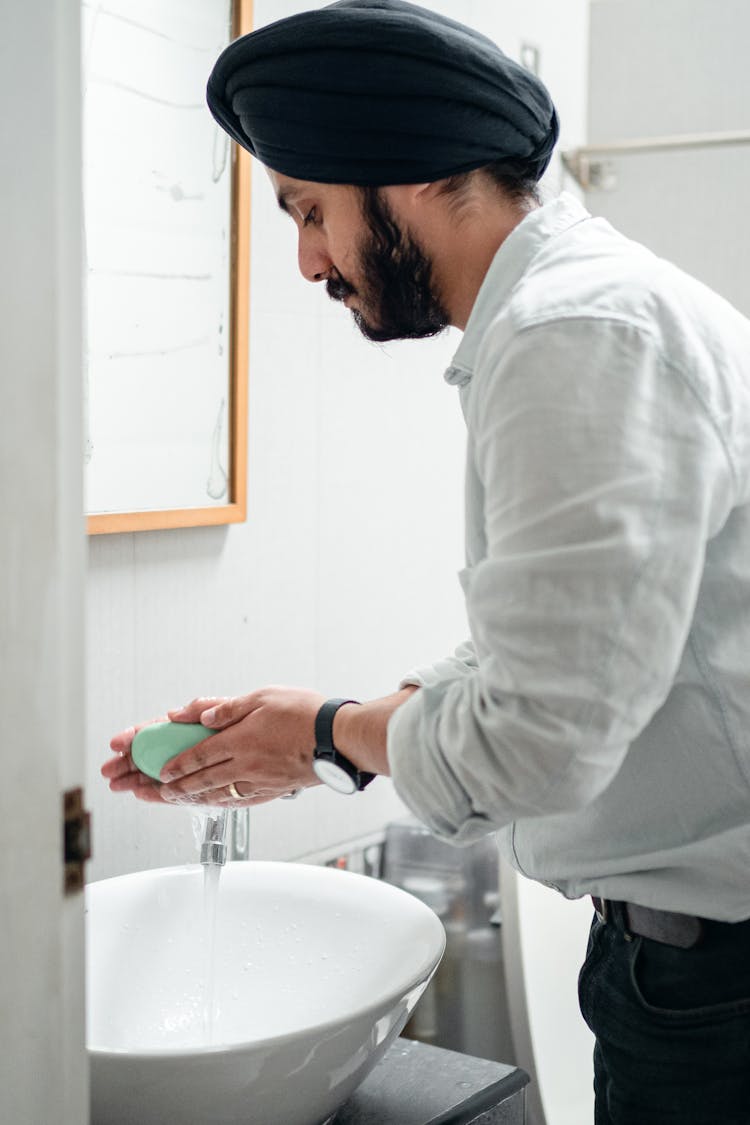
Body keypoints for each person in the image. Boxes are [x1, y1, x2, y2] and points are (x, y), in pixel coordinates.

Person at [102, 2, 750, 1121]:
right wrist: (327, 736)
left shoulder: (572, 335)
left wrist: (323, 732)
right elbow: (546, 656)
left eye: (308, 211)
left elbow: (536, 741)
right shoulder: (582, 313)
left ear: (399, 171)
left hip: (716, 995)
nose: (307, 260)